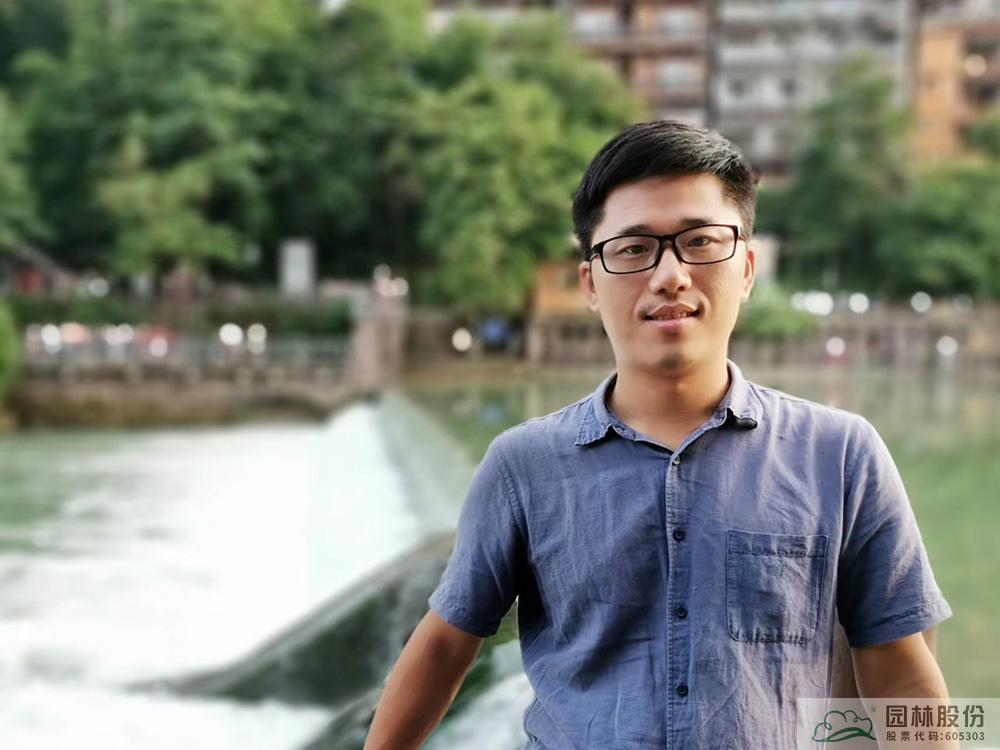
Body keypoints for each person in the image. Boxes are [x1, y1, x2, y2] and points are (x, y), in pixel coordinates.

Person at [363, 121, 953, 749]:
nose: (670, 275)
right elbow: (445, 645)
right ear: (590, 283)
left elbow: (900, 667)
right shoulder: (523, 465)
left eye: (700, 242)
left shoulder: (840, 454)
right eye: (633, 248)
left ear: (747, 268)